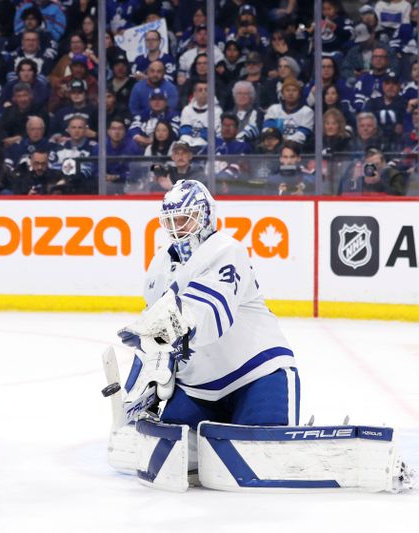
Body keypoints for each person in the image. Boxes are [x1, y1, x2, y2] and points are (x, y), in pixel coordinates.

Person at [115, 179, 298, 470]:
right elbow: (152, 339)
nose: (178, 227)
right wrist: (137, 395)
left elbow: (210, 318)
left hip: (255, 375)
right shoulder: (158, 265)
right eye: (172, 220)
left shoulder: (226, 250)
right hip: (198, 388)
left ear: (206, 216)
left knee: (261, 461)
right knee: (167, 461)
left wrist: (161, 330)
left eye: (186, 219)